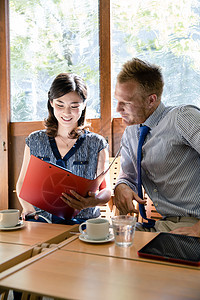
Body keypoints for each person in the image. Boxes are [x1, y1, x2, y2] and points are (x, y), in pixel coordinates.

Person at [114, 57, 200, 237]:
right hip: (161, 225)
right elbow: (128, 175)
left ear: (151, 100)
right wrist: (122, 185)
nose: (118, 109)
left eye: (126, 103)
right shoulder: (131, 132)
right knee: (104, 241)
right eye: (117, 100)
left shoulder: (182, 118)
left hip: (192, 225)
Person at [16, 73, 111, 224]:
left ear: (84, 105)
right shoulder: (34, 141)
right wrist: (28, 209)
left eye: (74, 106)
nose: (66, 113)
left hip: (83, 222)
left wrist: (93, 201)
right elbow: (21, 183)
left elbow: (106, 190)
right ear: (51, 102)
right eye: (60, 105)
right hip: (41, 220)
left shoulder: (96, 143)